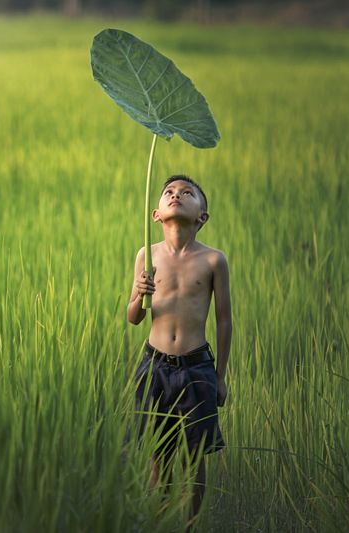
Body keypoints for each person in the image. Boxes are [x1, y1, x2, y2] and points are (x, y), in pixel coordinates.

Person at [127, 175, 232, 530]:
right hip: (154, 365)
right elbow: (133, 317)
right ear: (156, 213)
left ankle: (190, 524)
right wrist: (139, 292)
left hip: (195, 367)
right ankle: (158, 519)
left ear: (202, 217)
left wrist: (219, 378)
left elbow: (223, 321)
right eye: (169, 192)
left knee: (195, 457)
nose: (177, 196)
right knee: (159, 453)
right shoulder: (147, 253)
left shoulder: (213, 260)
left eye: (188, 194)